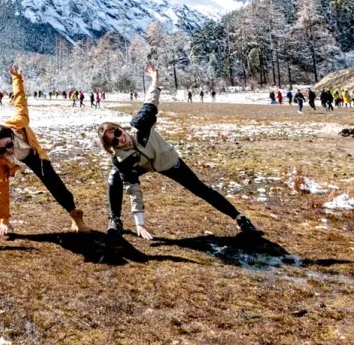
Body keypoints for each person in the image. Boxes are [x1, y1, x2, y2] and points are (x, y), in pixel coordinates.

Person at [100, 64, 260, 238]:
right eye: (114, 141)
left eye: (117, 133)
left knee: (199, 188)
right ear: (112, 146)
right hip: (141, 164)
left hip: (166, 159)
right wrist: (140, 222)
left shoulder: (141, 124)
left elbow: (150, 101)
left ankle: (240, 218)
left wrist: (155, 79)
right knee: (115, 176)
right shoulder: (122, 159)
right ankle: (115, 220)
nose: (120, 139)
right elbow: (133, 189)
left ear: (120, 127)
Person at [0, 66, 88, 236]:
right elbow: (1, 186)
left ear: (12, 135)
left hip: (31, 153)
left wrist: (17, 79)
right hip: (1, 161)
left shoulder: (19, 121)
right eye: (2, 149)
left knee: (52, 180)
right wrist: (4, 220)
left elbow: (19, 101)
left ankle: (75, 215)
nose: (8, 150)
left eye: (9, 145)